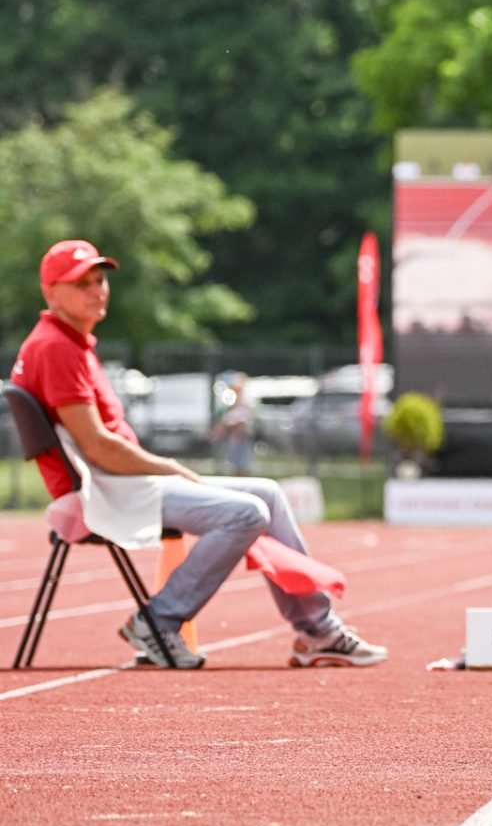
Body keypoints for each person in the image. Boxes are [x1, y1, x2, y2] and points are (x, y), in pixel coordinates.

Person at [10, 240, 387, 669]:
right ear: (51, 292)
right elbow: (97, 447)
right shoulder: (56, 347)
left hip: (122, 483)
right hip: (105, 491)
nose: (98, 291)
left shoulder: (69, 341)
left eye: (100, 280)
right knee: (245, 513)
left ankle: (317, 630)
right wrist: (168, 467)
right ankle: (159, 620)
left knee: (267, 494)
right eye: (82, 283)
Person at [212, 373, 256, 476]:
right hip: (235, 436)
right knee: (235, 462)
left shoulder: (246, 398)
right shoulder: (236, 397)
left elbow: (242, 417)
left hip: (242, 435)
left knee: (241, 462)